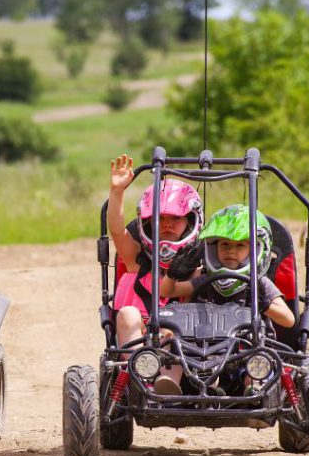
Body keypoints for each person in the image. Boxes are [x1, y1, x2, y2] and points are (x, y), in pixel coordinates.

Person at [161, 204, 296, 393]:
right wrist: (173, 273)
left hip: (247, 351)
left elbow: (289, 320)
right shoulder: (206, 278)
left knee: (258, 356)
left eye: (240, 245)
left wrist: (264, 304)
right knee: (174, 342)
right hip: (203, 354)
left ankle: (255, 389)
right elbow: (167, 292)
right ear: (213, 248)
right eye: (225, 244)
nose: (230, 251)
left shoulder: (259, 284)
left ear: (256, 250)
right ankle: (169, 383)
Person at [108, 154, 203, 395]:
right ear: (148, 224)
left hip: (179, 350)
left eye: (175, 219)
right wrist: (117, 191)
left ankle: (166, 384)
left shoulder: (198, 268)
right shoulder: (136, 259)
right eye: (160, 219)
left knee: (175, 328)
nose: (167, 224)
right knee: (128, 313)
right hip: (137, 343)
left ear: (190, 222)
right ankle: (138, 379)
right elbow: (118, 231)